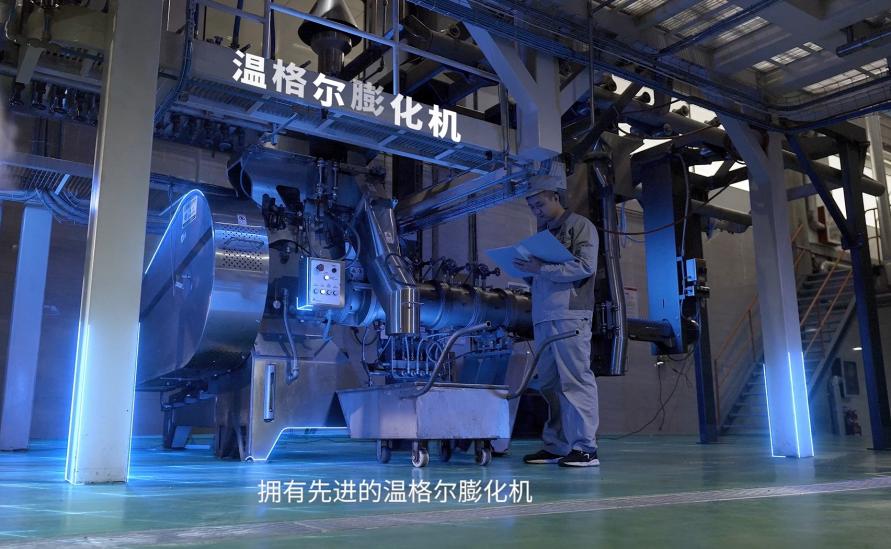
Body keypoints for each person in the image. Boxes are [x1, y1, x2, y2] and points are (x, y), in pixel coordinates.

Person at [512, 175, 600, 467]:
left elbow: (585, 266)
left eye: (539, 204)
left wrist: (542, 268)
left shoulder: (580, 226)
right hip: (544, 317)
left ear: (556, 198)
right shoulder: (544, 235)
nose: (535, 210)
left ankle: (586, 448)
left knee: (575, 380)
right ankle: (557, 445)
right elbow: (543, 274)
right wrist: (528, 271)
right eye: (531, 206)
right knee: (550, 385)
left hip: (569, 315)